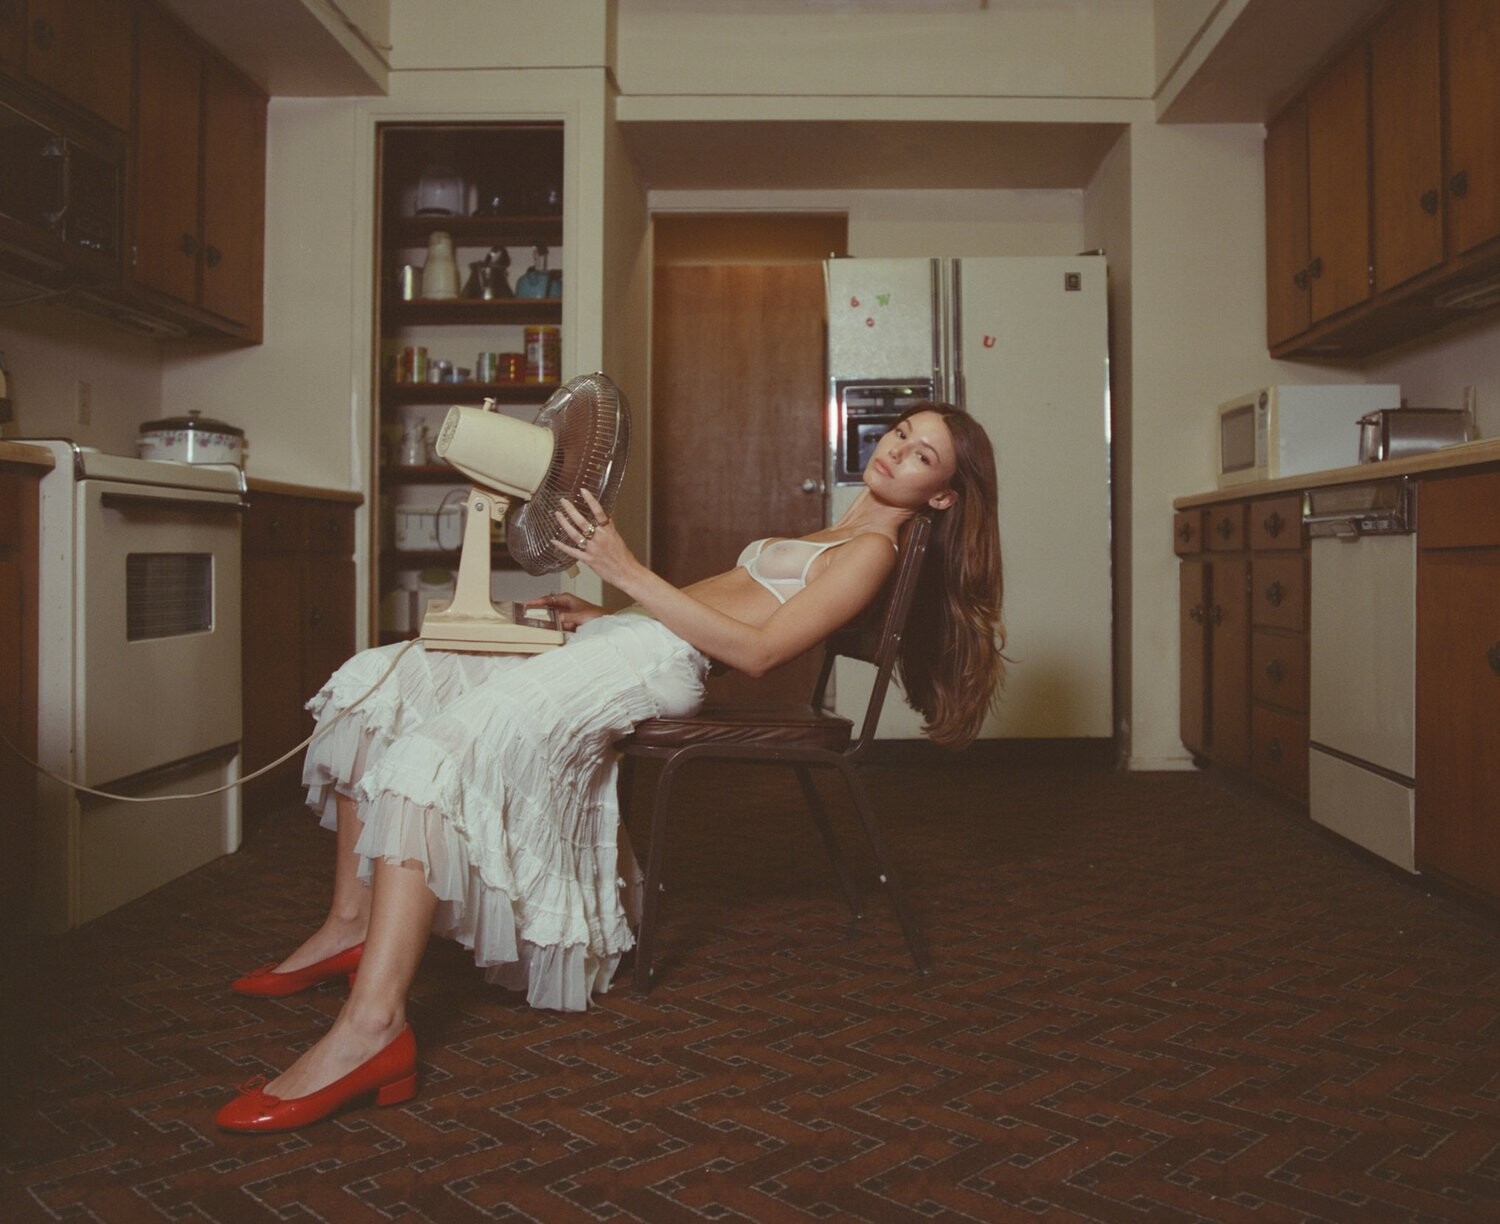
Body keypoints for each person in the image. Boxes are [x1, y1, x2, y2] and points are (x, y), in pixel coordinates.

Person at [215, 402, 1004, 1132]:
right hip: (628, 638)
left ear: (942, 495)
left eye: (922, 454)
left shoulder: (870, 551)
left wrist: (625, 571)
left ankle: (374, 1027)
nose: (896, 449)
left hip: (649, 665)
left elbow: (759, 652)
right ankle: (350, 925)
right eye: (901, 433)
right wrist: (607, 613)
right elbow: (726, 604)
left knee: (430, 757)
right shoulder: (840, 529)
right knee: (377, 685)